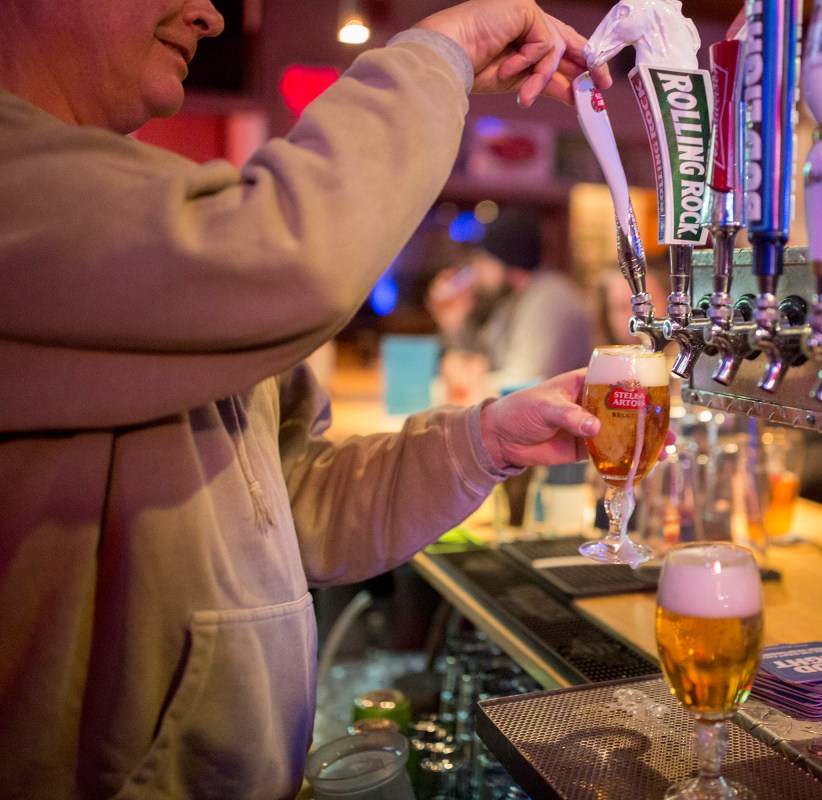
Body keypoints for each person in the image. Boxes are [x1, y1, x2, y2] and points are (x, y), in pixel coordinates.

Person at [0, 1, 614, 797]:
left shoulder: (111, 201)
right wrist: (441, 49)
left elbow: (296, 505)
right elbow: (296, 258)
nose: (209, 15)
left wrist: (486, 441)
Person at [429, 205, 595, 400]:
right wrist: (455, 325)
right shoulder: (514, 299)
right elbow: (485, 361)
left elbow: (523, 384)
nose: (477, 270)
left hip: (552, 416)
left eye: (483, 259)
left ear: (504, 259)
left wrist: (461, 385)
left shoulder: (550, 300)